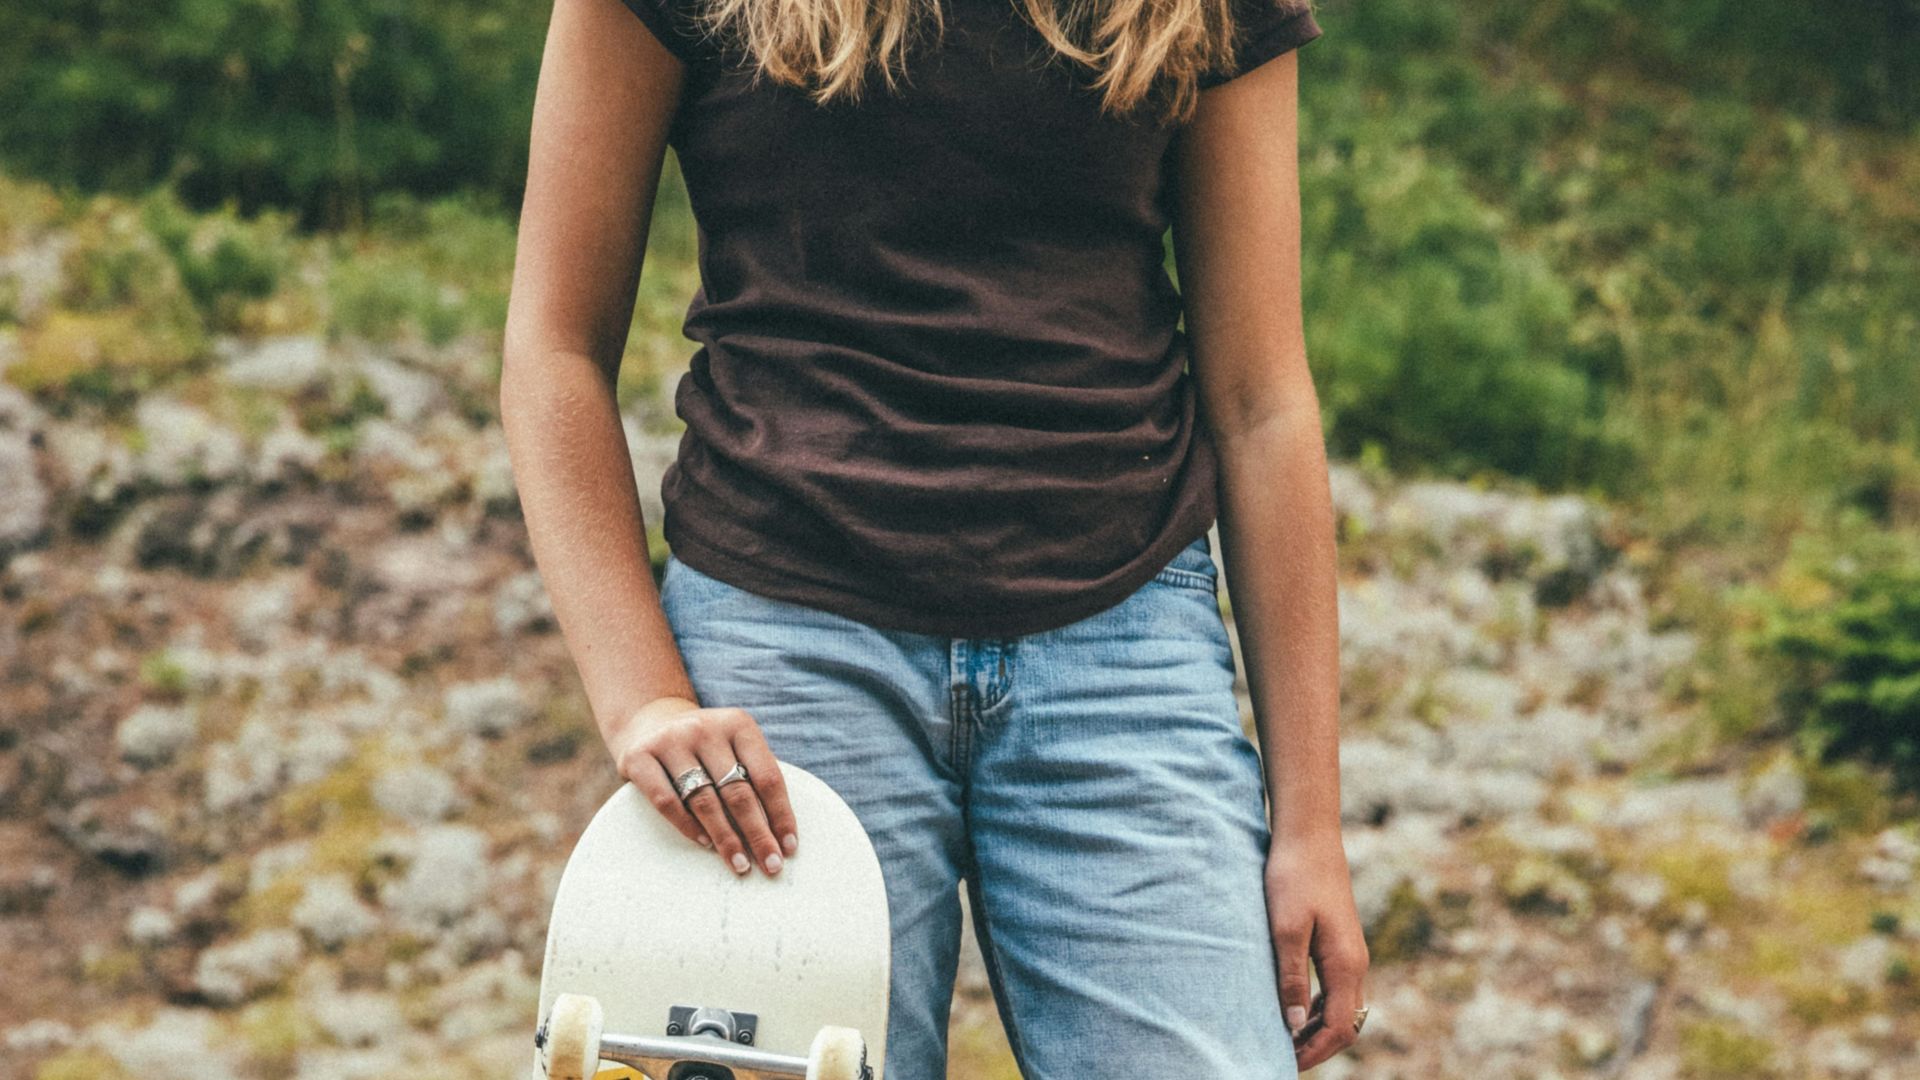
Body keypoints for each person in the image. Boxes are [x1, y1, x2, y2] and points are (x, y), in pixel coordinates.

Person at [500, 0, 1369, 1073]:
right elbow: (553, 348)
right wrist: (643, 695)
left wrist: (1311, 826)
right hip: (785, 652)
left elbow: (1261, 402)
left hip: (1124, 650)